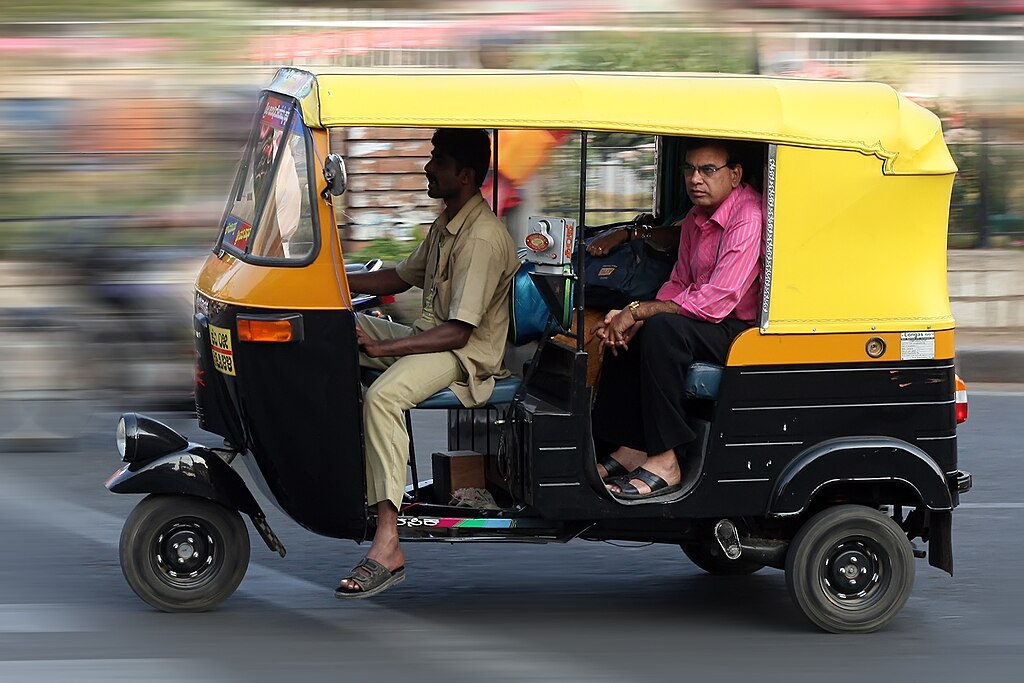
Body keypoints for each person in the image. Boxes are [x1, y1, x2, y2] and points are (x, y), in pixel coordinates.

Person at [336, 128, 520, 598]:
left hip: (463, 355)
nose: (427, 167)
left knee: (382, 398)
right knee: (331, 335)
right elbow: (399, 276)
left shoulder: (480, 237)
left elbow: (459, 333)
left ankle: (388, 540)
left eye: (438, 160)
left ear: (465, 174)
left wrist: (381, 350)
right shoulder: (447, 222)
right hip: (431, 337)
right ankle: (361, 482)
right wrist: (326, 275)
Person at [591, 138, 763, 500]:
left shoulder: (747, 216)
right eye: (689, 169)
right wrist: (630, 318)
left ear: (735, 175)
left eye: (708, 170)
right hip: (708, 321)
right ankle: (631, 445)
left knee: (663, 330)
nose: (695, 179)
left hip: (740, 332)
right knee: (630, 331)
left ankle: (666, 461)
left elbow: (719, 301)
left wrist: (640, 311)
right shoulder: (695, 217)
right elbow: (679, 282)